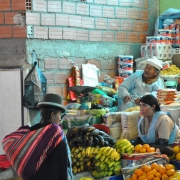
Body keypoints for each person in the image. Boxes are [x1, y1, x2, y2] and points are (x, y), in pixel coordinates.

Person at [2, 93, 73, 180]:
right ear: (52, 115)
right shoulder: (57, 136)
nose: (60, 119)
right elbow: (63, 169)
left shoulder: (32, 133)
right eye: (59, 115)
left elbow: (8, 141)